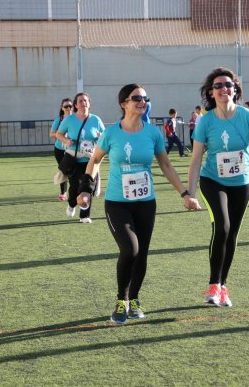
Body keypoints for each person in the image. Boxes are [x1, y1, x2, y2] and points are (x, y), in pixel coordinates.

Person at [76, 84, 193, 325]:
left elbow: (166, 166)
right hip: (118, 203)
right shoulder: (111, 133)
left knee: (142, 254)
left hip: (145, 203)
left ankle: (135, 300)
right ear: (124, 103)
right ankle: (122, 300)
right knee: (130, 249)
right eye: (136, 98)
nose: (142, 101)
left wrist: (184, 193)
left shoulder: (152, 133)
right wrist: (86, 190)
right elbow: (95, 161)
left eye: (145, 98)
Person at [185, 67, 249, 308]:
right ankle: (213, 285)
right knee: (222, 227)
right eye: (218, 86)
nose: (224, 89)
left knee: (232, 233)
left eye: (228, 85)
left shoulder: (246, 116)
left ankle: (223, 286)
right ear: (211, 93)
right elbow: (195, 160)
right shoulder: (206, 120)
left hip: (242, 182)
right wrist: (189, 194)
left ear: (235, 90)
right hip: (213, 180)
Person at [55, 93, 105, 224]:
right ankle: (71, 204)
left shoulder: (96, 120)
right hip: (74, 159)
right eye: (80, 101)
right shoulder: (69, 120)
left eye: (86, 101)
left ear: (89, 103)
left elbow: (104, 137)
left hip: (91, 160)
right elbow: (58, 134)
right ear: (76, 105)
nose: (83, 103)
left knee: (88, 187)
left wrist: (100, 136)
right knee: (75, 187)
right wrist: (66, 140)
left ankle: (84, 215)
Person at [49, 98, 73, 201]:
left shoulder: (77, 119)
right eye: (66, 106)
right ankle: (63, 192)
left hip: (72, 149)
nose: (68, 108)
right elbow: (51, 134)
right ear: (62, 108)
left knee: (73, 170)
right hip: (59, 149)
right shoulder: (59, 120)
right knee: (64, 170)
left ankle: (74, 191)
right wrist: (62, 136)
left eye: (70, 106)